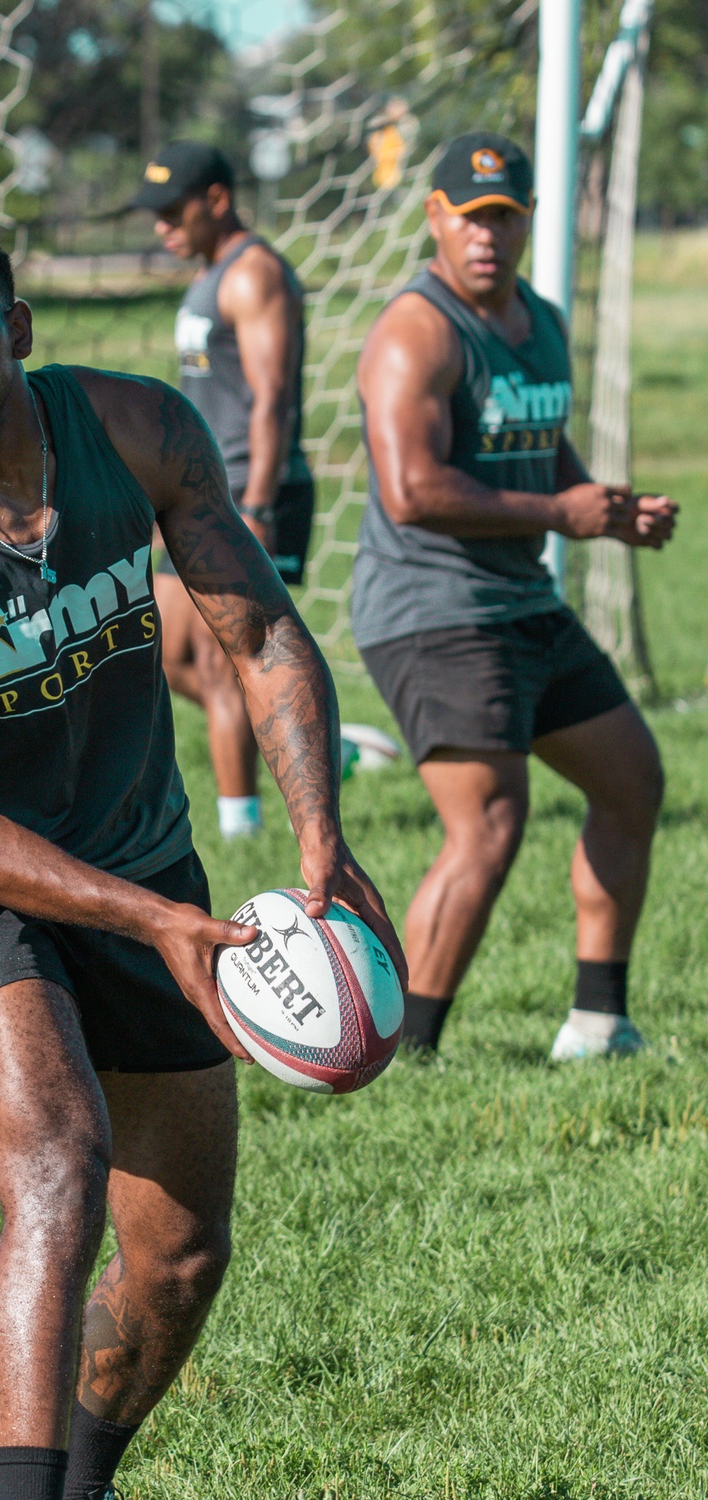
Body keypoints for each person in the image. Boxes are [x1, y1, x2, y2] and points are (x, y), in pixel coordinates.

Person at [0, 221, 405, 1500]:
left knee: (182, 1255)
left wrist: (318, 837)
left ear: (15, 331)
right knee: (58, 1169)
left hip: (146, 859)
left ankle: (84, 1481)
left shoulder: (135, 431)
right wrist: (151, 920)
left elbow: (261, 634)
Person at [351, 132, 676, 1060]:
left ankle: (599, 1022)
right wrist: (560, 512)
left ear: (527, 223)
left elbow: (547, 448)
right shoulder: (416, 331)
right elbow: (411, 491)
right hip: (431, 608)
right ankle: (405, 1052)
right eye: (470, 218)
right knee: (490, 822)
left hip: (520, 599)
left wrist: (604, 509)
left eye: (505, 218)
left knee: (632, 780)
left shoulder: (540, 320)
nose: (487, 236)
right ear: (436, 219)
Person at [130, 141, 316, 838]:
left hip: (248, 495)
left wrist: (259, 507)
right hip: (198, 495)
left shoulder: (253, 273)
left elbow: (272, 398)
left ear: (216, 199)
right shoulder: (210, 274)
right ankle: (323, 742)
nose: (161, 228)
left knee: (221, 661)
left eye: (172, 212)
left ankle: (242, 832)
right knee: (170, 653)